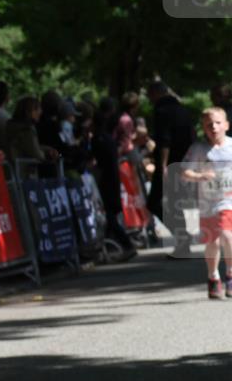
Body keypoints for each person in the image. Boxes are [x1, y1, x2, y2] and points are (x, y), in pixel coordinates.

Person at [181, 108, 232, 299]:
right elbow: (184, 172)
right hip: (207, 202)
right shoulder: (198, 149)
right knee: (213, 242)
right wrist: (201, 175)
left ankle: (230, 274)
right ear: (204, 127)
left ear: (226, 125)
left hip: (228, 201)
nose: (214, 127)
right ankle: (213, 277)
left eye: (218, 123)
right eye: (209, 124)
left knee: (227, 235)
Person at [146, 80, 196, 256]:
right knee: (175, 202)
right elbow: (192, 136)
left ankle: (182, 238)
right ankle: (183, 242)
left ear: (155, 94)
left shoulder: (162, 111)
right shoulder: (182, 110)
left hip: (169, 163)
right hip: (184, 162)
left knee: (154, 202)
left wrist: (163, 165)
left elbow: (164, 140)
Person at [91, 97, 137, 260]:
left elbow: (97, 160)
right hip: (111, 178)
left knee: (109, 214)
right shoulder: (108, 139)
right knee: (109, 214)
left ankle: (125, 244)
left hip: (105, 180)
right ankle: (111, 246)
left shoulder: (99, 139)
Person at [5, 96, 60, 167]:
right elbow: (36, 154)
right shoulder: (26, 129)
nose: (40, 112)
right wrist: (49, 155)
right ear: (29, 111)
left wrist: (47, 149)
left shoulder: (12, 126)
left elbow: (28, 147)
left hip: (13, 169)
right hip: (24, 171)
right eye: (37, 109)